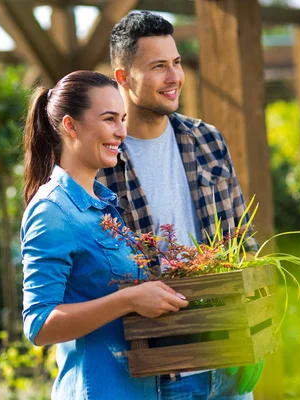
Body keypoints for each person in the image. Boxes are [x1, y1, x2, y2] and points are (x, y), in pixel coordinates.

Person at [96, 11, 264, 400]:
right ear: (122, 78)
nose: (174, 78)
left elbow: (243, 240)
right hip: (158, 374)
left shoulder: (207, 140)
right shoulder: (102, 158)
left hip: (228, 359)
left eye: (177, 63)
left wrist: (252, 330)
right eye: (158, 67)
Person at [21, 70, 189, 399]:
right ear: (71, 126)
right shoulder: (52, 211)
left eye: (123, 119)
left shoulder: (104, 206)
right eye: (109, 119)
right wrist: (128, 300)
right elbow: (39, 324)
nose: (121, 132)